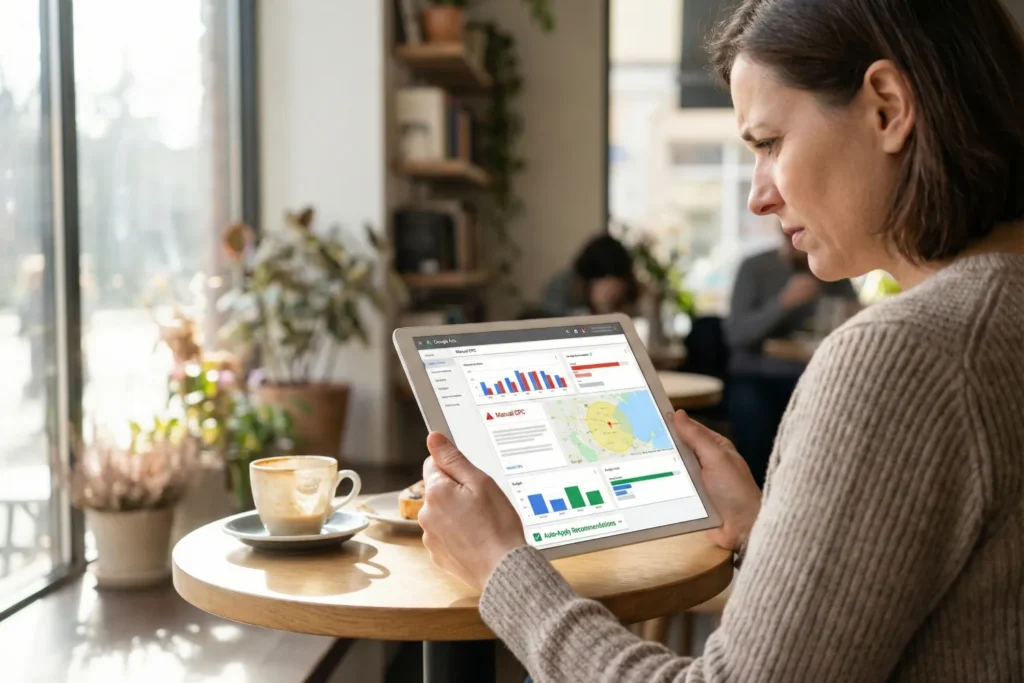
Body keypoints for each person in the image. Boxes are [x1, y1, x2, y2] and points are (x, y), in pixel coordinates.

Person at [417, 0, 1024, 680]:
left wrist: (502, 564)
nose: (757, 197)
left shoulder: (909, 352)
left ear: (886, 107)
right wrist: (771, 531)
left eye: (768, 143)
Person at [725, 231, 858, 486]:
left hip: (814, 376)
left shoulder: (831, 268)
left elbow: (851, 316)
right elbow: (737, 335)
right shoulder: (755, 267)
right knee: (754, 419)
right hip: (757, 376)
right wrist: (784, 302)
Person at [539, 235, 639, 317]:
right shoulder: (562, 286)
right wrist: (598, 310)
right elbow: (551, 324)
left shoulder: (628, 289)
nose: (609, 291)